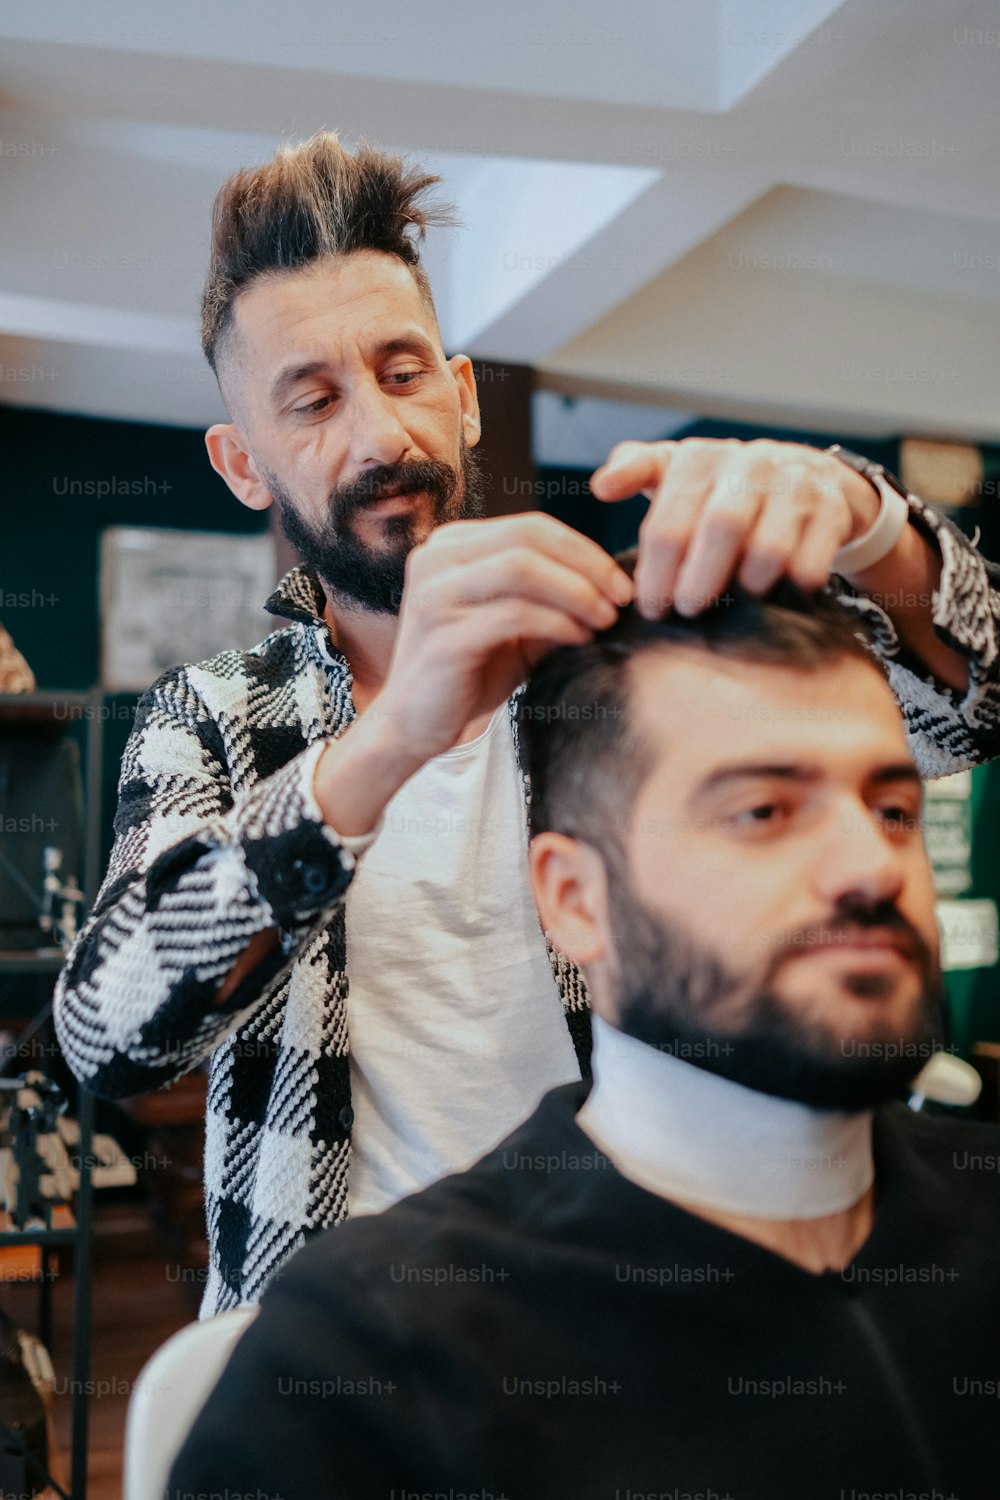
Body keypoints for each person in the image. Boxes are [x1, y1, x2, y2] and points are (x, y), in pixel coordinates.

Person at [54, 132, 1000, 1315]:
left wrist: (872, 524)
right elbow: (109, 1036)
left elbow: (975, 712)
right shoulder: (214, 717)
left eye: (402, 375)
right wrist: (391, 741)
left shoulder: (640, 644)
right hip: (336, 1356)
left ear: (458, 399)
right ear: (243, 464)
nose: (378, 438)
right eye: (311, 402)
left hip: (643, 1317)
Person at [169, 577, 1000, 1499]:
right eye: (763, 810)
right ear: (573, 898)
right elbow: (107, 1034)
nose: (869, 868)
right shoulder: (363, 1363)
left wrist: (886, 534)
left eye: (893, 813)